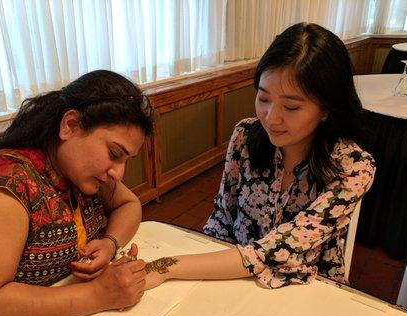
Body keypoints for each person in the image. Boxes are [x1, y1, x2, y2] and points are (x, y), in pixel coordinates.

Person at [145, 22, 375, 290]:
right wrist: (199, 279)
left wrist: (166, 267)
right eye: (264, 99)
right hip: (230, 277)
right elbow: (222, 216)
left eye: (291, 106)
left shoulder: (354, 167)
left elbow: (279, 249)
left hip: (310, 288)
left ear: (326, 109)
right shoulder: (244, 135)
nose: (271, 118)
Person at [0, 70, 153, 316]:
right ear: (69, 125)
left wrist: (110, 242)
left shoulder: (78, 171)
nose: (118, 173)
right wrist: (99, 294)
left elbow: (129, 205)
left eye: (125, 160)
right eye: (114, 154)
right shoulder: (3, 184)